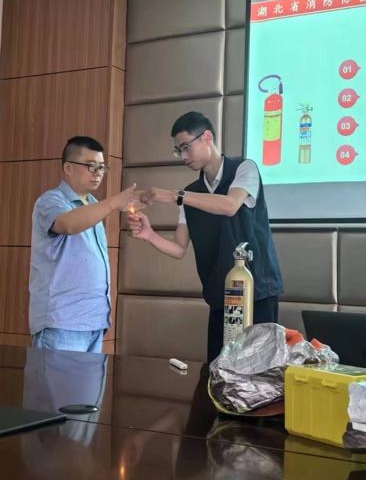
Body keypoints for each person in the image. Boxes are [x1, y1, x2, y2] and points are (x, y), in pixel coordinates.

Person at [127, 112, 283, 362]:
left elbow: (230, 205)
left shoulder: (244, 169)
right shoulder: (191, 193)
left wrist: (175, 195)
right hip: (220, 296)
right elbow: (179, 248)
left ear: (207, 137)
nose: (183, 156)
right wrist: (150, 235)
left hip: (257, 293)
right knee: (218, 371)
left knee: (258, 373)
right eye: (178, 150)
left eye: (186, 147)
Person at [29, 136, 139, 353]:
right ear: (68, 168)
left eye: (101, 167)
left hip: (94, 323)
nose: (98, 173)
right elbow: (68, 225)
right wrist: (113, 203)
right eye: (91, 166)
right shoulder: (51, 200)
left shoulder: (94, 205)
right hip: (61, 323)